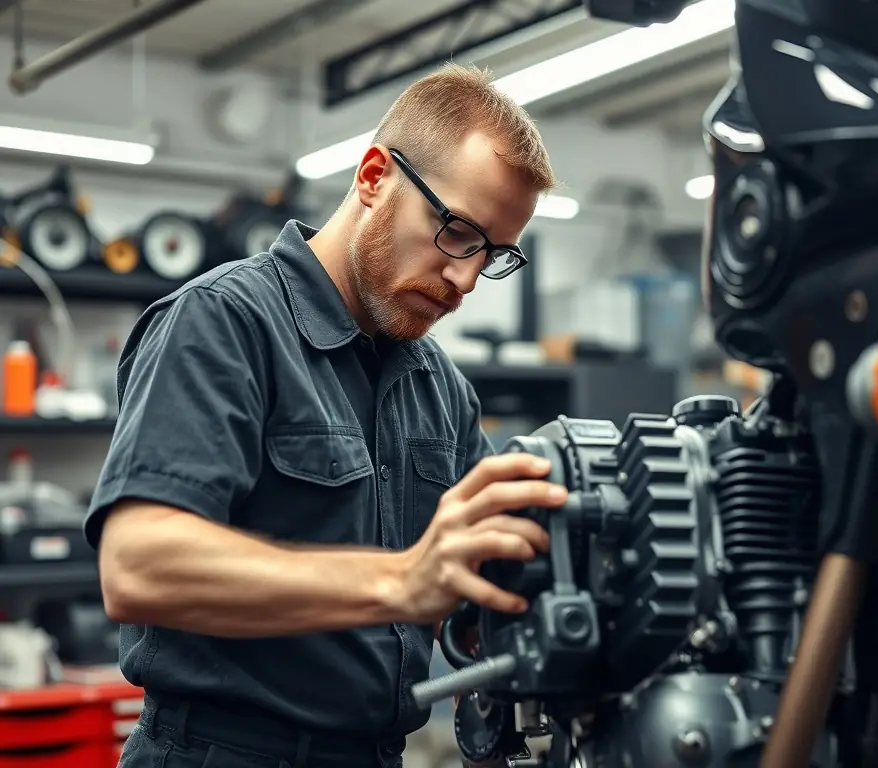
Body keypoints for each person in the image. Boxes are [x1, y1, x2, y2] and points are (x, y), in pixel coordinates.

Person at [85, 63, 567, 768]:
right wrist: (402, 581)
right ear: (374, 178)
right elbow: (138, 568)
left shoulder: (442, 389)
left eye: (491, 255)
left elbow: (470, 587)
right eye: (457, 232)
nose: (465, 278)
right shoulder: (224, 323)